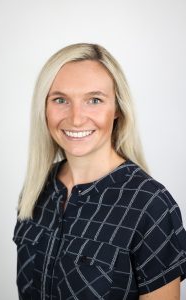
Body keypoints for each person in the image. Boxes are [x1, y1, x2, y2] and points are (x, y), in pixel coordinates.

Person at [13, 43, 186, 300]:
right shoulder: (37, 188)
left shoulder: (151, 205)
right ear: (44, 108)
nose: (76, 118)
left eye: (94, 100)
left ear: (117, 109)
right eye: (60, 99)